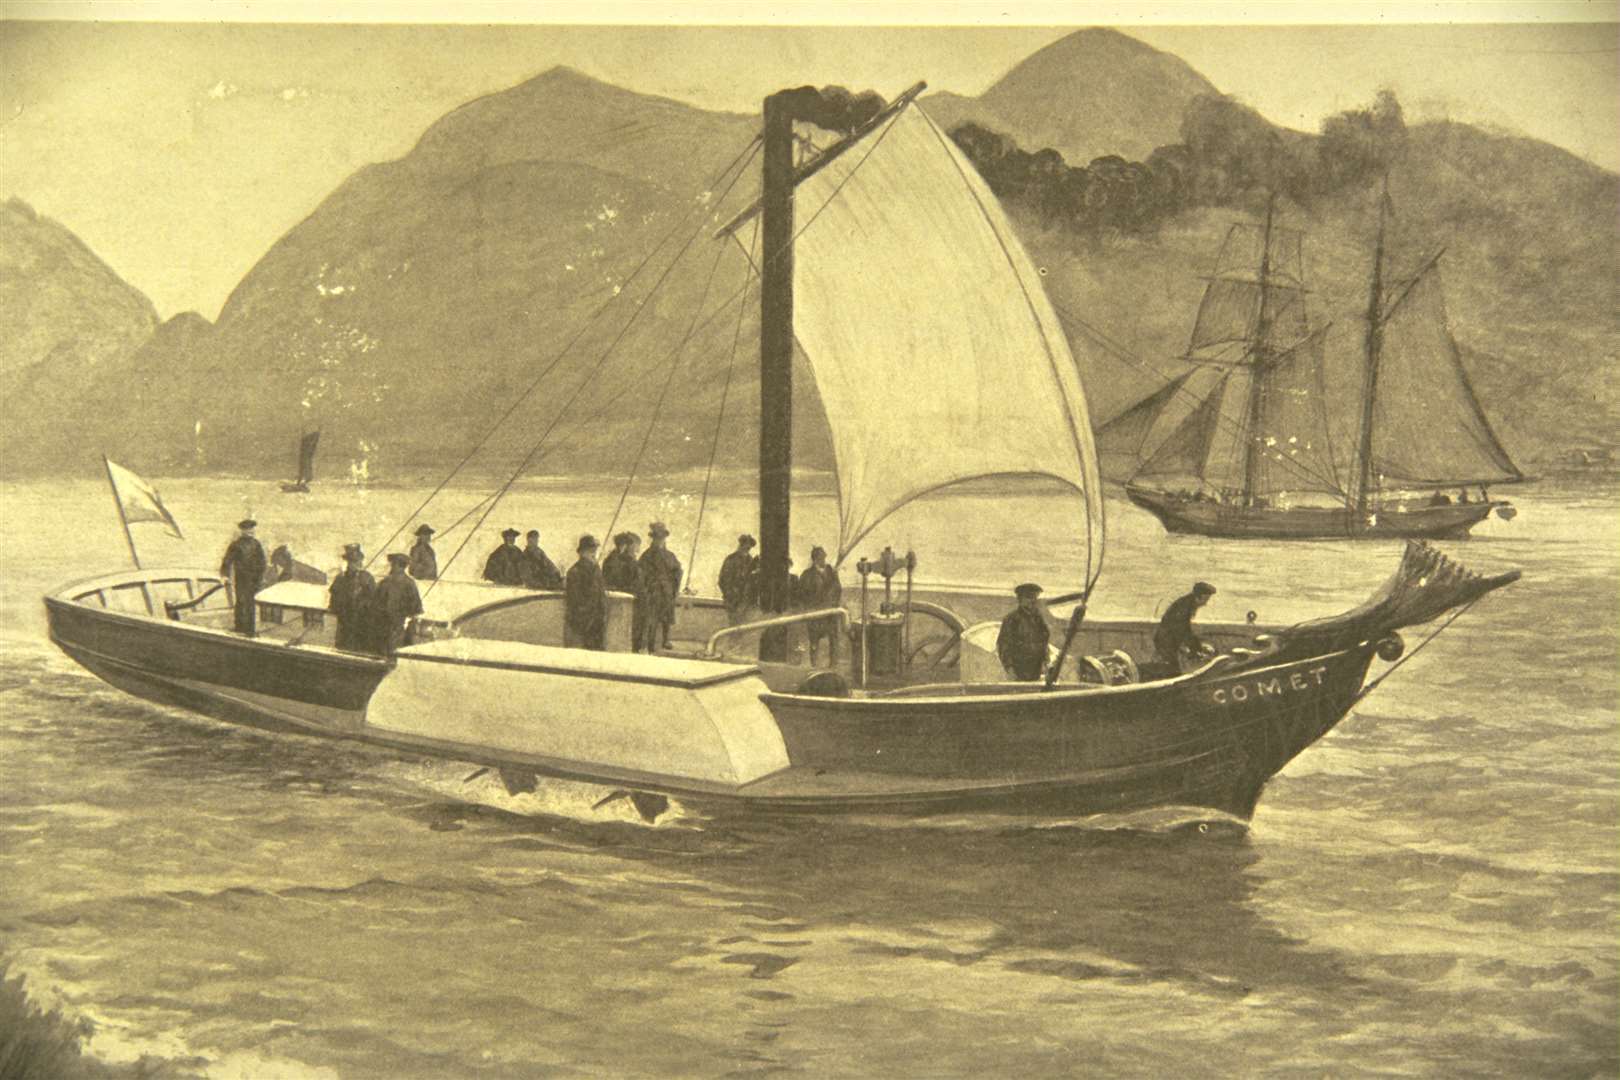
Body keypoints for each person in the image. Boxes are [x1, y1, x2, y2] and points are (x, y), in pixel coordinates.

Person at [637, 521, 682, 652]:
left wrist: (674, 586)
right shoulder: (646, 555)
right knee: (652, 619)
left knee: (666, 617)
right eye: (657, 537)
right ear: (653, 538)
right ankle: (650, 644)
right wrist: (647, 588)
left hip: (667, 591)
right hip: (653, 591)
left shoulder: (670, 555)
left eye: (662, 537)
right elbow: (641, 574)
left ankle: (666, 640)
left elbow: (678, 570)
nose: (660, 540)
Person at [1154, 581, 1216, 672]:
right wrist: (1196, 648)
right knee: (1173, 670)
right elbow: (1182, 630)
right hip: (1166, 641)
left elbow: (1185, 630)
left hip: (1170, 640)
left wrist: (1196, 647)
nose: (1205, 603)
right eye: (1205, 599)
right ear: (1198, 597)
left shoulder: (1187, 603)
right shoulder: (1184, 607)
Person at [219, 518, 267, 635]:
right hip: (241, 579)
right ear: (242, 531)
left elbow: (262, 562)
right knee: (240, 602)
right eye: (247, 529)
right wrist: (225, 575)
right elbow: (227, 561)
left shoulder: (257, 544)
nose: (250, 531)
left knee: (251, 603)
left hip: (255, 579)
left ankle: (250, 630)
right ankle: (239, 627)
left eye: (252, 529)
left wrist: (260, 576)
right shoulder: (236, 545)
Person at [797, 546, 843, 667]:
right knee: (814, 642)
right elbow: (802, 595)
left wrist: (834, 604)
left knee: (834, 640)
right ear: (815, 559)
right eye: (821, 557)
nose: (824, 560)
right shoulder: (807, 575)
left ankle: (833, 667)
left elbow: (838, 589)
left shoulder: (831, 572)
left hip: (830, 614)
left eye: (824, 557)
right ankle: (814, 666)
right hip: (815, 615)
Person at [371, 552, 424, 656]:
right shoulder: (409, 583)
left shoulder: (385, 582)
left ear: (398, 566)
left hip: (386, 625)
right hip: (396, 626)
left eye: (393, 565)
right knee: (394, 652)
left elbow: (374, 604)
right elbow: (416, 609)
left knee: (383, 652)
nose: (391, 567)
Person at [328, 543, 377, 653]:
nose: (355, 564)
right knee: (343, 649)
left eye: (357, 560)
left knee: (360, 649)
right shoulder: (340, 579)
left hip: (362, 623)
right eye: (352, 561)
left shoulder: (367, 578)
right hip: (345, 622)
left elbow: (374, 600)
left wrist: (362, 602)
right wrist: (345, 603)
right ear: (347, 562)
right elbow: (333, 602)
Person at [996, 582, 1050, 682]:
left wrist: (1045, 662)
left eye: (1035, 597)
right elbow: (1004, 646)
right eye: (1029, 597)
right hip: (1018, 671)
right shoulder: (1011, 619)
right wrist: (1010, 669)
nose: (1033, 601)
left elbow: (1044, 642)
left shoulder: (1038, 619)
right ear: (1020, 600)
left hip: (1037, 671)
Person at [564, 534, 607, 650]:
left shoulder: (596, 569)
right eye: (591, 550)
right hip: (582, 624)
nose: (594, 553)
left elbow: (601, 593)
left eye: (595, 550)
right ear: (582, 552)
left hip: (598, 622)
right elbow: (574, 601)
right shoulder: (575, 572)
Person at [601, 531, 644, 647]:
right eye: (636, 546)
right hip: (625, 602)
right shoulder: (622, 561)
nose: (638, 550)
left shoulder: (613, 559)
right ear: (627, 546)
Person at [718, 534, 758, 626]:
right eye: (745, 546)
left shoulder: (750, 561)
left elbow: (750, 580)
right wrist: (730, 595)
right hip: (732, 599)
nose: (747, 549)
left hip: (745, 600)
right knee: (734, 624)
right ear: (740, 545)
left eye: (749, 548)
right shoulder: (731, 560)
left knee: (742, 624)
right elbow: (723, 580)